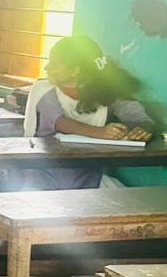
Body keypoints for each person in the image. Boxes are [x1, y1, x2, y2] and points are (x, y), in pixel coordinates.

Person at [16, 35, 156, 190]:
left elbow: (139, 117)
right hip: (43, 176)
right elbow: (59, 122)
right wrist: (101, 132)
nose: (46, 68)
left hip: (88, 177)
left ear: (74, 71)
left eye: (54, 64)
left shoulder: (106, 92)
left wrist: (143, 130)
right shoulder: (43, 89)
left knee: (127, 199)